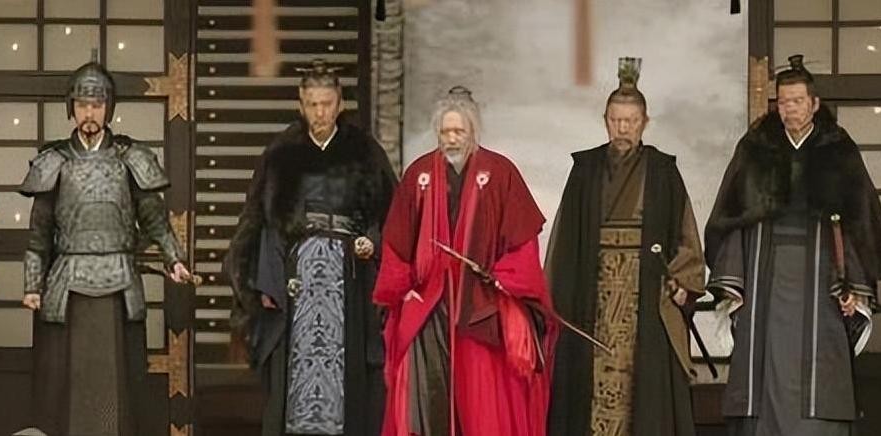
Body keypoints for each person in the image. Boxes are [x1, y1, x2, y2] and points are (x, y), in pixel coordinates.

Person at [706, 54, 881, 435]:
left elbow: (859, 221)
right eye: (783, 101)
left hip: (822, 272)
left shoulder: (837, 148)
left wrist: (853, 286)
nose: (790, 109)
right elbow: (732, 217)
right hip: (764, 269)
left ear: (814, 103)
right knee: (763, 364)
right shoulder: (756, 147)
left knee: (819, 370)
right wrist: (734, 282)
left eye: (797, 101)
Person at [18, 61, 193, 436]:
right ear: (72, 108)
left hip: (118, 281)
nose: (89, 113)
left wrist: (174, 258)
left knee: (119, 384)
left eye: (96, 105)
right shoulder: (54, 161)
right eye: (83, 105)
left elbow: (154, 219)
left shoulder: (131, 159)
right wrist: (32, 285)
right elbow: (39, 234)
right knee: (66, 385)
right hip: (68, 284)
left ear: (108, 108)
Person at [224, 59, 397, 436]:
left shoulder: (364, 151)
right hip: (295, 275)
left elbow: (392, 213)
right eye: (313, 104)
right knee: (292, 372)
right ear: (301, 105)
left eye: (327, 104)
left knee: (350, 377)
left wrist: (373, 241)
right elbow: (258, 219)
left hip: (350, 275)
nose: (320, 113)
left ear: (340, 103)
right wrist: (263, 284)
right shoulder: (281, 153)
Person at [373, 86, 558, 436]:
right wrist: (403, 289)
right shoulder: (419, 175)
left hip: (481, 303)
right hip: (430, 302)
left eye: (459, 131)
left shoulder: (500, 172)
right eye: (445, 131)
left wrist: (504, 278)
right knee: (428, 399)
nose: (452, 139)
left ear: (473, 130)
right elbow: (397, 243)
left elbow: (522, 245)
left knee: (482, 403)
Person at [546, 58, 705, 436]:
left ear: (645, 123)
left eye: (631, 121)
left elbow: (685, 234)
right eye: (616, 120)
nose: (623, 128)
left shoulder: (663, 171)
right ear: (605, 120)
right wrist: (555, 299)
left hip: (645, 291)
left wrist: (683, 281)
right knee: (588, 383)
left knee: (644, 389)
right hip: (593, 291)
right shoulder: (585, 169)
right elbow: (565, 240)